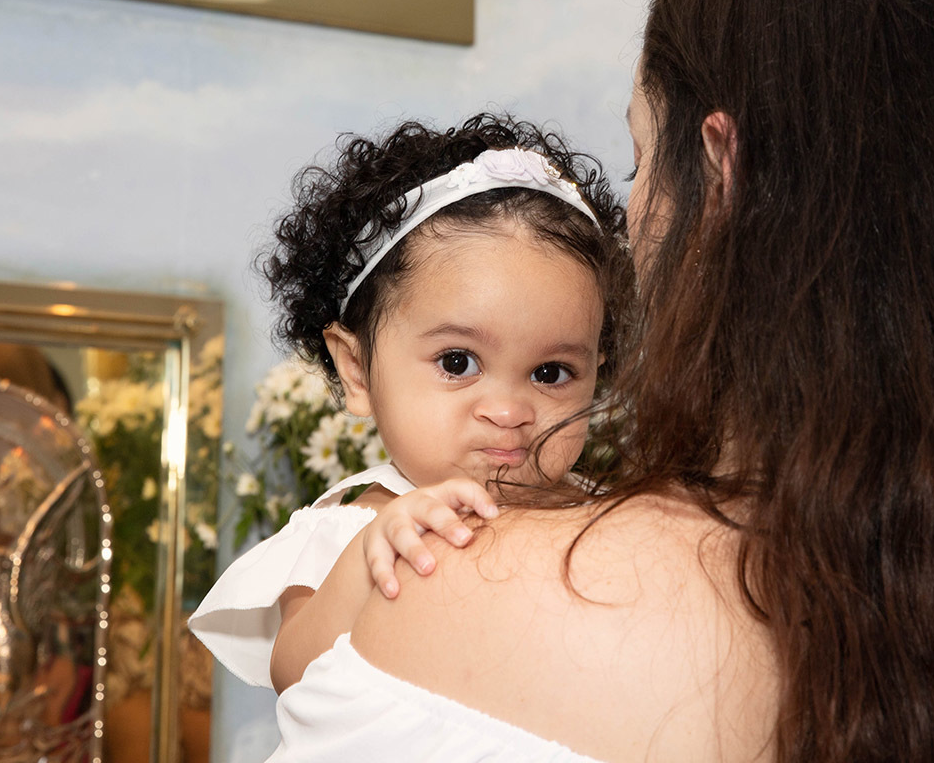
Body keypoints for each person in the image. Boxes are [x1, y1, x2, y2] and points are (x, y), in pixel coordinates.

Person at [264, 0, 934, 761]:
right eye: (457, 361)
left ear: (722, 171)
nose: (507, 409)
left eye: (640, 157)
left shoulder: (465, 591)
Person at [189, 114, 632, 693]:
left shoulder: (608, 518)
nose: (507, 410)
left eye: (551, 373)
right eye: (458, 363)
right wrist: (363, 568)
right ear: (357, 370)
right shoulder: (355, 527)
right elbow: (294, 675)